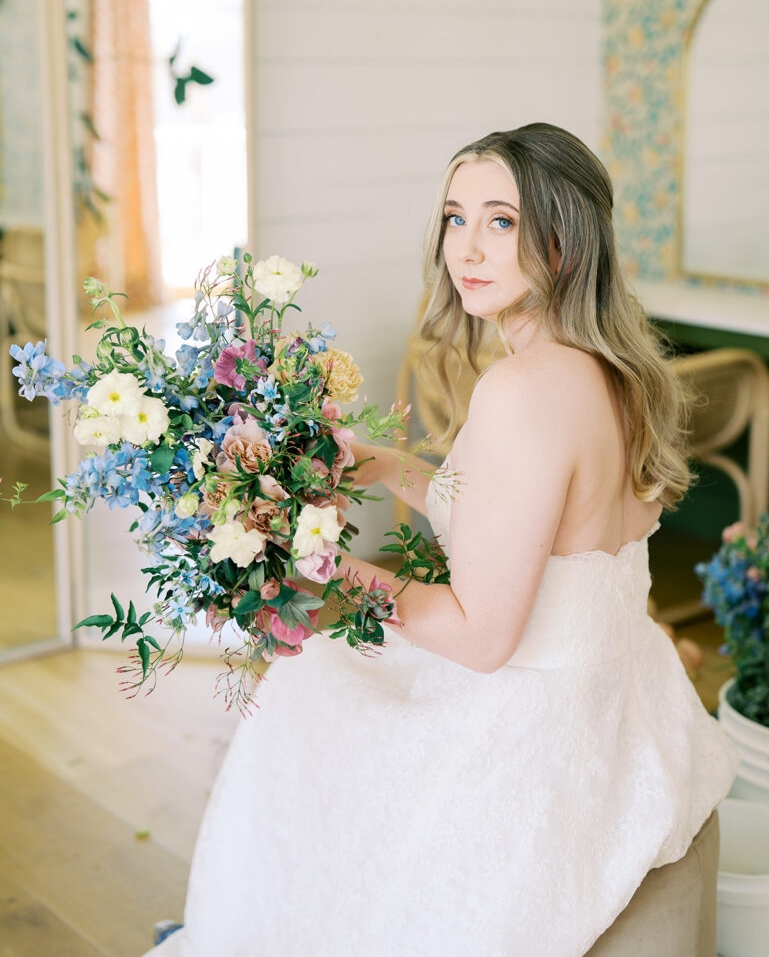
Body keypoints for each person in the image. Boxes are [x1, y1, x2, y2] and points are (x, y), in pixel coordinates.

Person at [143, 123, 738, 957]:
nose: (467, 247)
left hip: (536, 727)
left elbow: (482, 638)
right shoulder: (611, 369)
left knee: (305, 685)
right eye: (456, 217)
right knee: (328, 678)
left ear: (564, 242)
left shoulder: (521, 390)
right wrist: (377, 463)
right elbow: (516, 522)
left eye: (501, 221)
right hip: (616, 696)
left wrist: (323, 569)